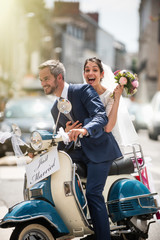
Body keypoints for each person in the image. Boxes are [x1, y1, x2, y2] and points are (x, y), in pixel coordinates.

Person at [38, 59, 123, 240]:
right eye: (41, 80)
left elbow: (101, 117)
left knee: (93, 192)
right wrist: (64, 136)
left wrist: (84, 129)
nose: (43, 83)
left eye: (46, 79)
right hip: (78, 154)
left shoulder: (83, 90)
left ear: (59, 78)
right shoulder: (56, 108)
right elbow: (63, 142)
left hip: (100, 150)